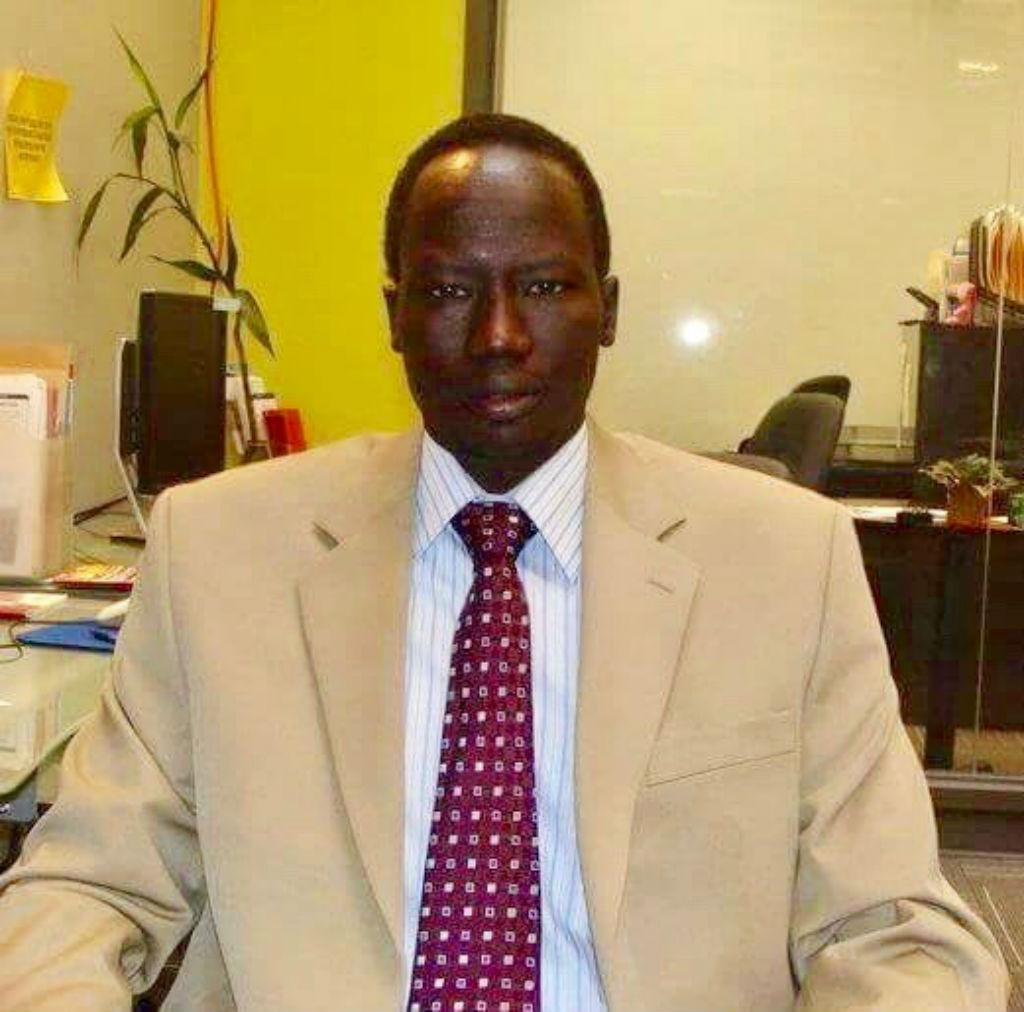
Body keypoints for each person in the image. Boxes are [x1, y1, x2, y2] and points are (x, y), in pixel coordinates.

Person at [0, 114, 1008, 1012]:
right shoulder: (218, 551)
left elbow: (895, 932)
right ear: (394, 314)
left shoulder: (785, 563)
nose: (498, 336)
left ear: (608, 308)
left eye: (544, 287)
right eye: (448, 291)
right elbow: (87, 885)